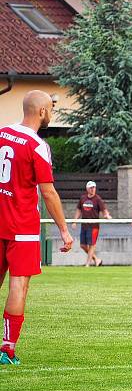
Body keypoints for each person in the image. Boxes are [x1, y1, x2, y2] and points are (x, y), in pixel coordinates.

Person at [0, 90, 73, 365]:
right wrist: (64, 230)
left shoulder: (2, 133)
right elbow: (49, 192)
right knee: (18, 286)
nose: (51, 114)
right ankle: (6, 351)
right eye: (50, 110)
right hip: (22, 226)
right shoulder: (37, 145)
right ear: (42, 112)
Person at [72, 180, 111, 267]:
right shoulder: (83, 198)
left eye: (94, 188)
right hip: (84, 225)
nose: (93, 189)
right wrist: (75, 221)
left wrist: (107, 215)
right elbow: (79, 210)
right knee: (82, 245)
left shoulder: (97, 199)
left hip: (94, 226)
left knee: (92, 245)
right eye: (91, 188)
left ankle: (88, 263)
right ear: (87, 189)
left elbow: (104, 209)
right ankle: (96, 259)